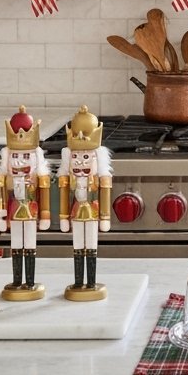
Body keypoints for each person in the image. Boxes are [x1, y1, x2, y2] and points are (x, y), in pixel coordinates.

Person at [0, 106, 51, 301]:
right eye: (16, 157)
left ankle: (30, 281)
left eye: (26, 156)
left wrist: (45, 215)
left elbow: (44, 196)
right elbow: (2, 195)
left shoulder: (38, 179)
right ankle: (17, 280)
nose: (20, 162)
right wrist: (1, 214)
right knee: (15, 245)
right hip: (14, 212)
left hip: (30, 211)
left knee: (30, 245)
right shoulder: (6, 179)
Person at [60, 105, 112, 301]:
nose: (81, 162)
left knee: (91, 246)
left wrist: (105, 217)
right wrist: (63, 217)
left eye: (86, 157)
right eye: (76, 157)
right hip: (76, 212)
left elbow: (105, 196)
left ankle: (91, 282)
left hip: (92, 212)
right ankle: (78, 281)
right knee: (77, 247)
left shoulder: (100, 179)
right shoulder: (69, 179)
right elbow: (64, 195)